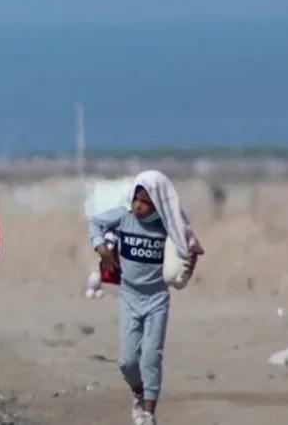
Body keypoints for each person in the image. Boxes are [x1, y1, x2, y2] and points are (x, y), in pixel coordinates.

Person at [88, 171, 199, 425]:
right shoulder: (124, 217)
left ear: (157, 203)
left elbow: (189, 245)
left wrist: (188, 261)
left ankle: (148, 412)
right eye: (136, 199)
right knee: (128, 361)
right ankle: (137, 391)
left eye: (145, 202)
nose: (138, 206)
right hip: (129, 296)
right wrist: (102, 248)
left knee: (151, 356)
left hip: (157, 298)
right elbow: (94, 223)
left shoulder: (167, 225)